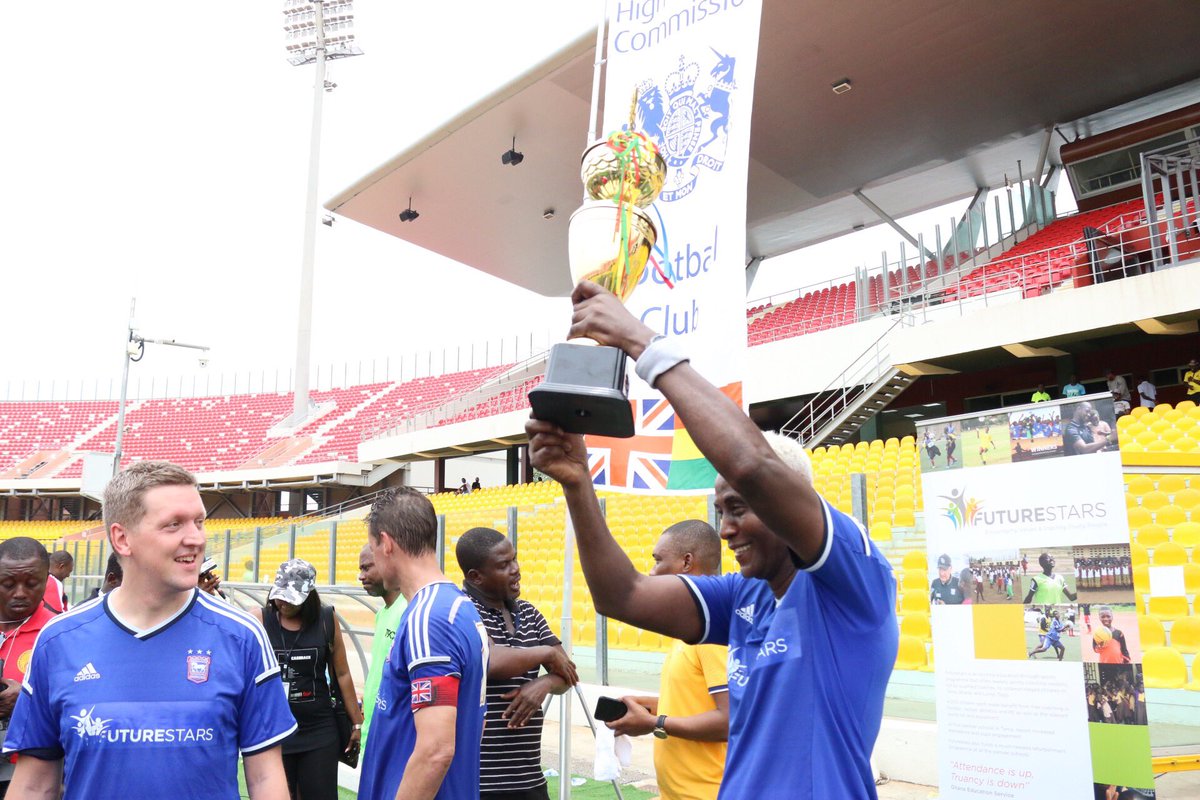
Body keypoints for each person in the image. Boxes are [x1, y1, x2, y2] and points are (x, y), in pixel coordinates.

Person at [525, 280, 897, 799]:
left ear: (785, 504)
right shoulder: (746, 595)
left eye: (738, 508)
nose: (724, 528)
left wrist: (643, 345)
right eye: (720, 511)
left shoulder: (852, 579)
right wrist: (577, 483)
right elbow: (622, 595)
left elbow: (752, 466)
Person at [2, 460, 294, 799]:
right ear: (123, 539)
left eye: (199, 522)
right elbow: (35, 784)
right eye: (174, 525)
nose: (196, 539)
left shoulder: (242, 636)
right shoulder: (58, 641)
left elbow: (264, 780)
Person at [358, 488, 489, 800]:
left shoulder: (429, 618)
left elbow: (436, 750)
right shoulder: (457, 607)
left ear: (386, 543)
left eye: (373, 548)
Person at [604, 520, 729, 800]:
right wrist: (649, 708)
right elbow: (700, 705)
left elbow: (730, 720)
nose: (651, 571)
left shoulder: (714, 634)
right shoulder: (691, 627)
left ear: (687, 563)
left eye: (658, 560)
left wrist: (655, 723)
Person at [456, 527, 574, 800]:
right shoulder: (463, 610)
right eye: (504, 565)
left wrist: (542, 685)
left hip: (529, 777)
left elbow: (567, 672)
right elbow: (492, 660)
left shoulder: (530, 613)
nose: (516, 569)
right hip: (480, 781)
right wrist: (546, 653)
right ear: (476, 576)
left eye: (515, 559)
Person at [252, 559, 363, 800]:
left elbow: (342, 673)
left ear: (307, 596)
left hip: (319, 730)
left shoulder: (325, 619)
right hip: (275, 732)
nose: (282, 603)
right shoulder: (260, 619)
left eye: (291, 599)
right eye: (279, 595)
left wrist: (355, 722)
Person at [0, 538, 58, 797]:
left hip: (26, 771)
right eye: (8, 585)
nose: (20, 593)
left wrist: (26, 700)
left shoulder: (61, 633)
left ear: (46, 580)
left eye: (32, 583)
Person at [358, 544, 407, 754]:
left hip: (393, 734)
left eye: (367, 568)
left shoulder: (408, 610)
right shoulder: (384, 613)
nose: (361, 576)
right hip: (374, 728)